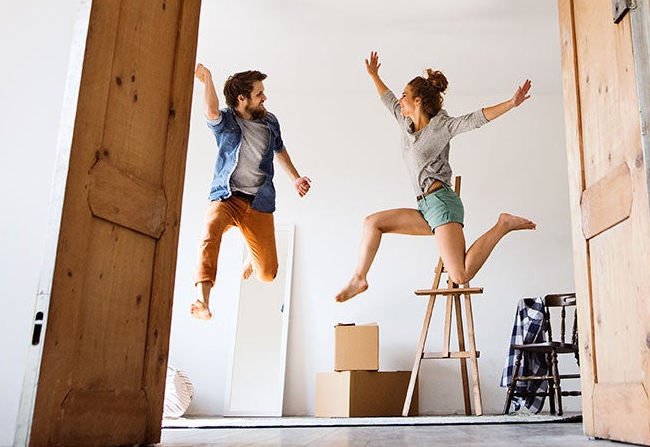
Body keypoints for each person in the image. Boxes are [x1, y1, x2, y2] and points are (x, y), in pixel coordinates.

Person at [335, 51, 536, 303]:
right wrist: (374, 75)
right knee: (372, 223)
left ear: (417, 101)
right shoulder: (404, 122)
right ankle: (359, 278)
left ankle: (502, 225)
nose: (400, 100)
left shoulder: (442, 127)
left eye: (405, 95)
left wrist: (511, 103)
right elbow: (387, 98)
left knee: (460, 274)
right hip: (425, 207)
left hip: (441, 203)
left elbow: (475, 119)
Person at [191, 62, 311, 320]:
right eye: (259, 94)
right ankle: (203, 301)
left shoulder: (270, 122)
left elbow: (280, 150)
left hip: (258, 202)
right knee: (210, 233)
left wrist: (295, 178)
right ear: (241, 99)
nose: (264, 98)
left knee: (267, 274)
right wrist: (207, 77)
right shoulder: (227, 122)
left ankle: (251, 251)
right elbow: (210, 110)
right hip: (227, 197)